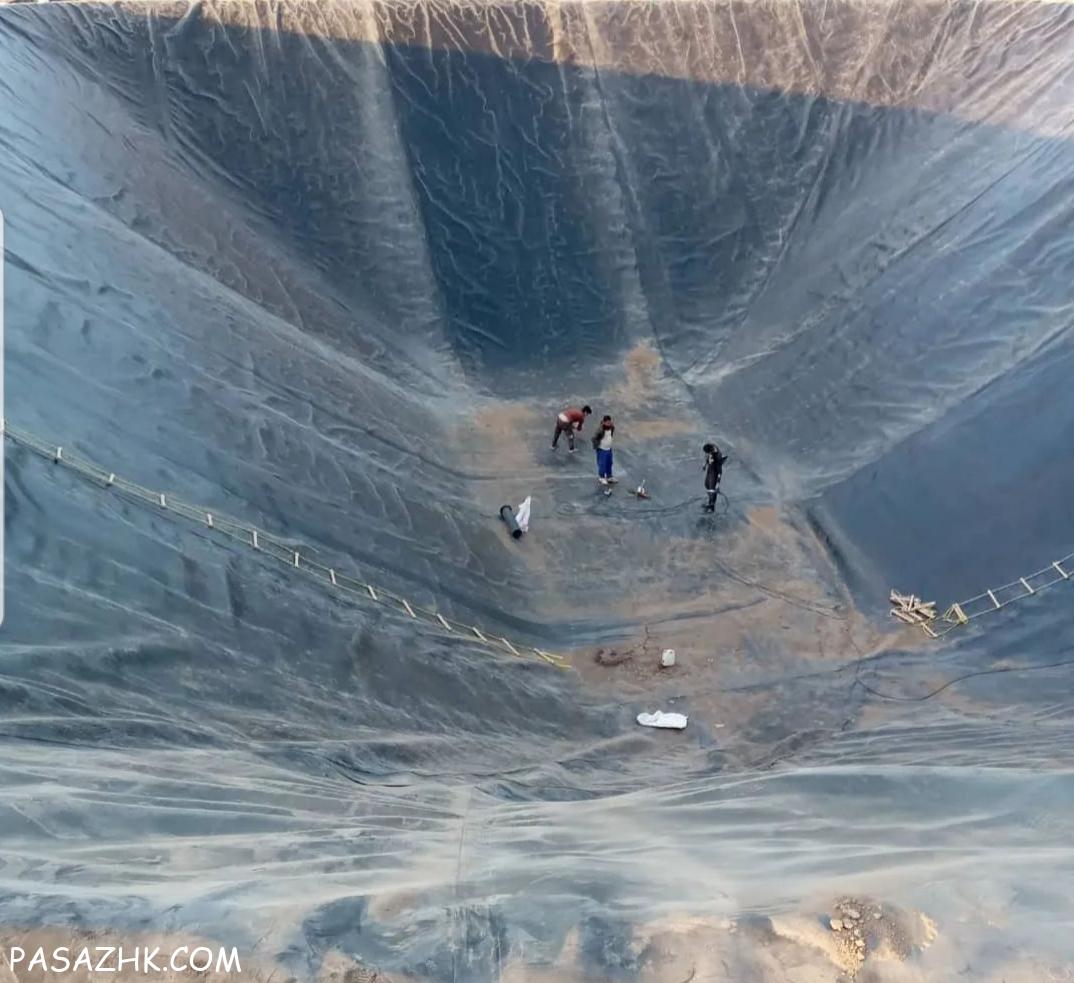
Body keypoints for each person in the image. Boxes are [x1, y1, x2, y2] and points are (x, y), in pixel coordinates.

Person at [702, 442, 728, 512]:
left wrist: (717, 484)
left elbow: (720, 472)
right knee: (707, 485)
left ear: (711, 450)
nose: (707, 454)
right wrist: (705, 464)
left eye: (708, 452)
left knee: (712, 490)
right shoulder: (712, 447)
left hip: (714, 473)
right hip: (710, 470)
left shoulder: (717, 456)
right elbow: (708, 457)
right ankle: (709, 503)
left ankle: (712, 506)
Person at [592, 414, 615, 484]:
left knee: (609, 463)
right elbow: (594, 438)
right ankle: (601, 477)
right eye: (607, 422)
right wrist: (597, 446)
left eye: (609, 422)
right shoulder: (600, 429)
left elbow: (611, 435)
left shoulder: (612, 427)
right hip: (602, 449)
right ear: (604, 422)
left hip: (609, 449)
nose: (609, 423)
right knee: (602, 464)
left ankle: (609, 476)